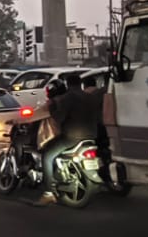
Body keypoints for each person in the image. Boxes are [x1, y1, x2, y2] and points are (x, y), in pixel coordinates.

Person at [37, 72, 102, 205]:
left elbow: (59, 118)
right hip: (92, 135)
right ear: (80, 84)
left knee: (47, 155)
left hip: (72, 137)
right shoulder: (90, 97)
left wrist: (52, 112)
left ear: (68, 84)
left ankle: (48, 193)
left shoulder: (67, 98)